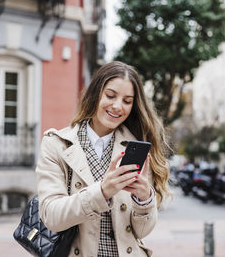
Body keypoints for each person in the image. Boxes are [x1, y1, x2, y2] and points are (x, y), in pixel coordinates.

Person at [36, 61, 170, 257]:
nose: (117, 106)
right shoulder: (57, 144)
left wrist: (144, 200)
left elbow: (142, 232)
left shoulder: (136, 148)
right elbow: (52, 216)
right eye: (110, 95)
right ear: (95, 93)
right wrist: (101, 191)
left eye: (127, 101)